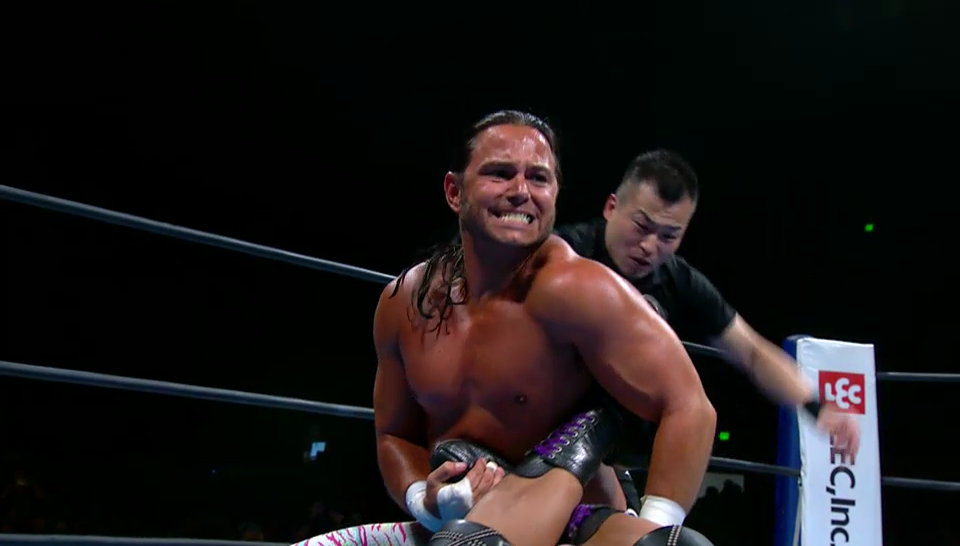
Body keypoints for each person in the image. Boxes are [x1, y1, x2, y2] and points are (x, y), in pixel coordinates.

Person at [373, 110, 717, 546]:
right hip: (468, 524)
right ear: (455, 192)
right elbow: (394, 435)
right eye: (500, 173)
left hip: (582, 522)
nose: (521, 192)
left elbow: (690, 407)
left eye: (538, 178)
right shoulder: (406, 301)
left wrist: (655, 526)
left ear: (554, 194)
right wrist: (426, 500)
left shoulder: (580, 290)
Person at [554, 149, 861, 511]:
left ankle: (656, 520)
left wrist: (817, 406)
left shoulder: (679, 280)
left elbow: (751, 351)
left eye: (669, 236)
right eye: (642, 226)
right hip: (539, 430)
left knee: (692, 417)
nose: (650, 246)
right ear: (611, 207)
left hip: (614, 453)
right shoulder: (563, 253)